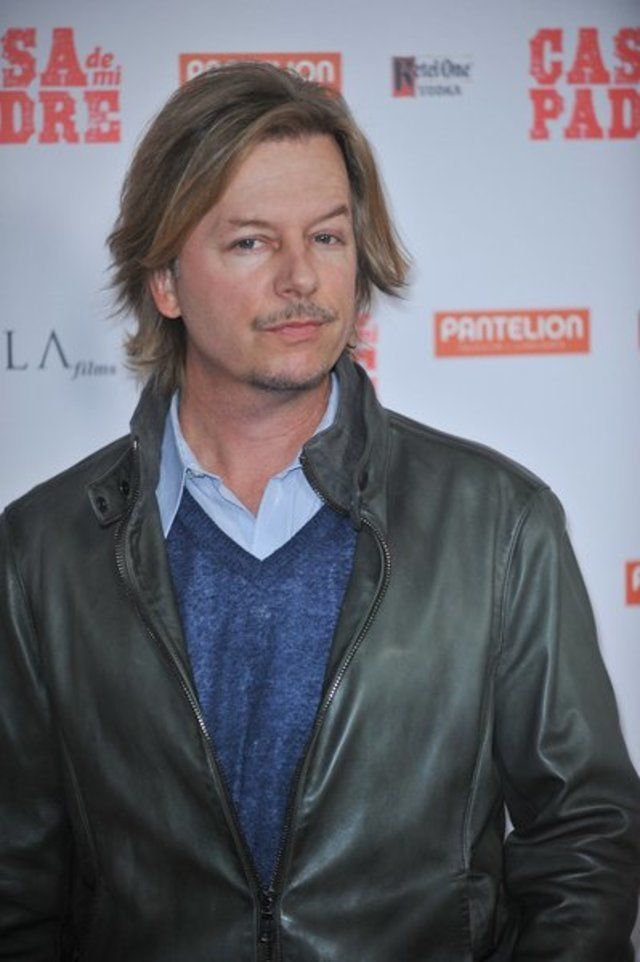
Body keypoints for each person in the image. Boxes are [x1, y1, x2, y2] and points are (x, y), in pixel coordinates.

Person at [1, 62, 639, 962]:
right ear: (167, 282)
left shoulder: (499, 525)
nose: (302, 277)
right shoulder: (42, 553)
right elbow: (17, 883)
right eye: (251, 242)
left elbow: (585, 842)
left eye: (329, 237)